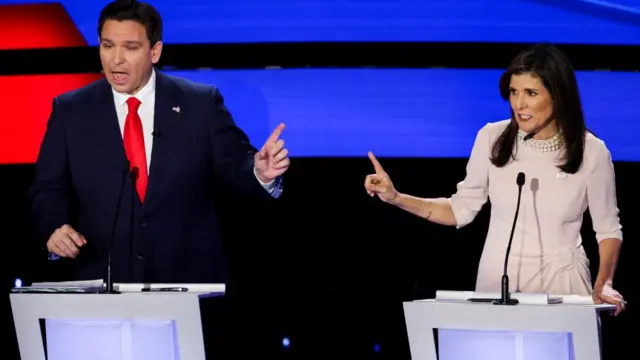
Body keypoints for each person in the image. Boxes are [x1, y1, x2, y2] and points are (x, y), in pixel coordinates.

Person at [29, 0, 290, 284]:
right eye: (107, 46)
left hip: (185, 285)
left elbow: (234, 167)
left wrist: (259, 173)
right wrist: (53, 228)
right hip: (100, 286)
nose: (116, 60)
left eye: (130, 48)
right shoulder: (71, 110)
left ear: (155, 51)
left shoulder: (200, 104)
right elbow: (47, 187)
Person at [364, 44, 626, 315]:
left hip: (562, 288)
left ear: (558, 95)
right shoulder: (492, 138)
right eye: (514, 92)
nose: (518, 104)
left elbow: (608, 230)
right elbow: (459, 209)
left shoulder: (592, 152)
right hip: (498, 284)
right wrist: (396, 198)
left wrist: (604, 283)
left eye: (531, 93)